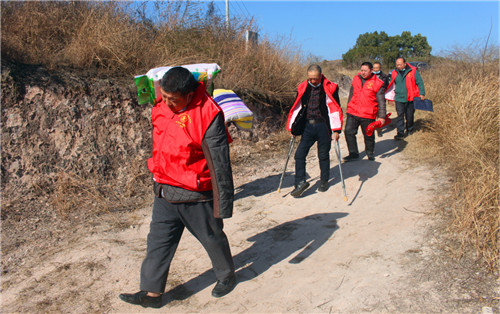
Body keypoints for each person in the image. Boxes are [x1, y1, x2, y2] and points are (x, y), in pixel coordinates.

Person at [119, 67, 236, 308]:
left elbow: (220, 164)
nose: (168, 103)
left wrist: (223, 204)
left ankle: (226, 276)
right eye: (165, 97)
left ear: (190, 94)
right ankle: (152, 294)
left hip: (195, 193)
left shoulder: (208, 114)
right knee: (158, 242)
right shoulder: (161, 106)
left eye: (174, 99)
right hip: (164, 188)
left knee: (212, 237)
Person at [285, 64, 343, 197]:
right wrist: (292, 127)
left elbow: (335, 108)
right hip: (307, 127)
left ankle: (324, 180)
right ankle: (300, 182)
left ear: (321, 76)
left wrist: (336, 130)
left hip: (323, 127)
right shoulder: (303, 87)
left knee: (323, 155)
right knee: (299, 155)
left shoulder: (330, 88)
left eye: (315, 79)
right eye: (310, 78)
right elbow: (297, 107)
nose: (312, 81)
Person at [343, 62, 387, 162]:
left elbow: (381, 101)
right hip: (353, 111)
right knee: (348, 132)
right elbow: (351, 94)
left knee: (368, 135)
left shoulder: (377, 83)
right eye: (362, 70)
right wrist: (349, 106)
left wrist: (382, 116)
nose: (363, 72)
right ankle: (353, 153)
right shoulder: (356, 79)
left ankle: (370, 152)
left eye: (365, 71)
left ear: (371, 71)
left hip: (368, 114)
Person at [386, 57, 426, 140]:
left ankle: (409, 129)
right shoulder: (394, 73)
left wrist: (422, 93)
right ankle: (400, 133)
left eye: (400, 64)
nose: (398, 66)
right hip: (399, 98)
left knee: (409, 115)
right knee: (400, 116)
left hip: (411, 97)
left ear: (405, 63)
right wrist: (390, 98)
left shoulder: (413, 71)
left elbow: (420, 82)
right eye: (397, 65)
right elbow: (392, 86)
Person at [372, 62, 389, 137]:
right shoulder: (370, 76)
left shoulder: (384, 76)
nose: (375, 69)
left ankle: (379, 130)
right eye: (374, 68)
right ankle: (371, 129)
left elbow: (387, 87)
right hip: (371, 98)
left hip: (380, 98)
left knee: (380, 115)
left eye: (377, 68)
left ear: (380, 68)